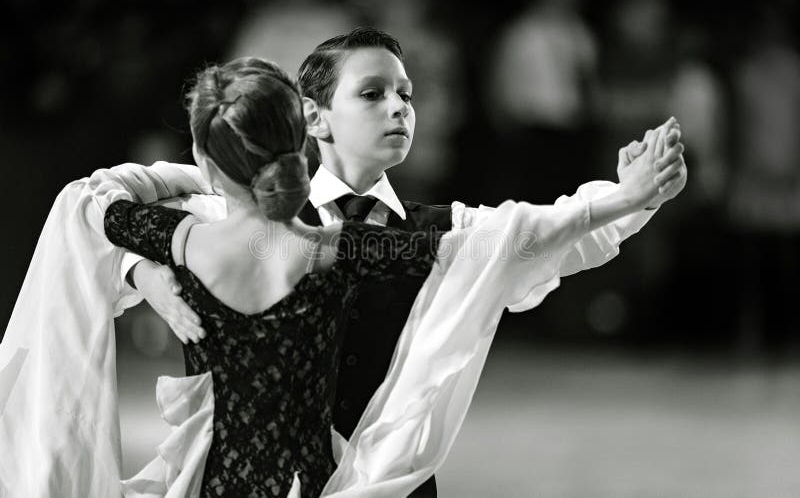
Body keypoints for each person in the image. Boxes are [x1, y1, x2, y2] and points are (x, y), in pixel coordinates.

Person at [121, 27, 687, 497]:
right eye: (372, 93)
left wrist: (635, 196)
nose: (398, 107)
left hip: (389, 485)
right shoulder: (238, 209)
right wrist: (147, 277)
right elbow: (100, 213)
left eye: (406, 94)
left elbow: (539, 234)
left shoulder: (443, 228)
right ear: (314, 117)